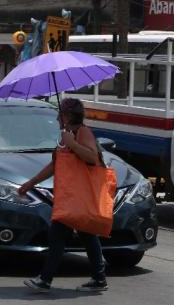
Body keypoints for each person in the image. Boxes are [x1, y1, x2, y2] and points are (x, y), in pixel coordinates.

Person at [19, 98, 108, 293]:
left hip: (78, 195)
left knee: (57, 234)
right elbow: (55, 164)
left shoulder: (82, 132)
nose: (57, 118)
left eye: (60, 114)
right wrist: (30, 183)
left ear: (67, 116)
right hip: (70, 195)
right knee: (87, 234)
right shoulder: (65, 136)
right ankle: (99, 278)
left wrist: (73, 144)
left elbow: (92, 158)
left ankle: (45, 279)